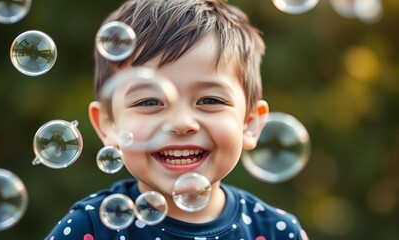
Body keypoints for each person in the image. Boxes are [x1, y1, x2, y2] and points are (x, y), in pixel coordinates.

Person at [45, 0, 309, 239]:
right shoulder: (90, 228)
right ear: (109, 124)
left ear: (249, 122)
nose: (182, 123)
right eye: (149, 102)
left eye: (209, 101)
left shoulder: (277, 231)